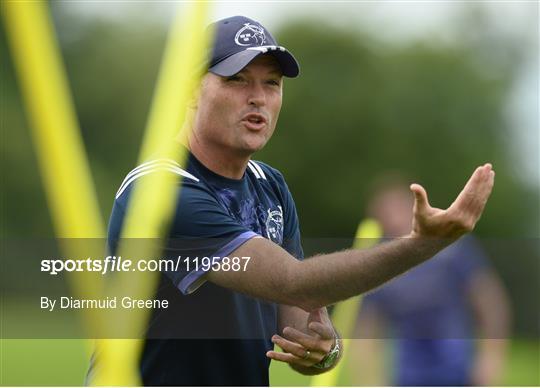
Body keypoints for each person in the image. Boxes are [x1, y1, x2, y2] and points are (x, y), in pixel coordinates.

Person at [89, 16, 495, 386]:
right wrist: (421, 245)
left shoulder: (271, 186)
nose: (258, 98)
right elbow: (292, 282)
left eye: (272, 83)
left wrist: (323, 350)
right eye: (237, 80)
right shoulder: (161, 190)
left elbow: (298, 322)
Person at [353, 176, 510, 386]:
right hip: (407, 377)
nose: (393, 221)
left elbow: (490, 302)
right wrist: (368, 380)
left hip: (458, 372)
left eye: (397, 210)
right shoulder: (380, 264)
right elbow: (367, 325)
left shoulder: (452, 247)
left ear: (414, 208)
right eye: (385, 215)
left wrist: (491, 359)